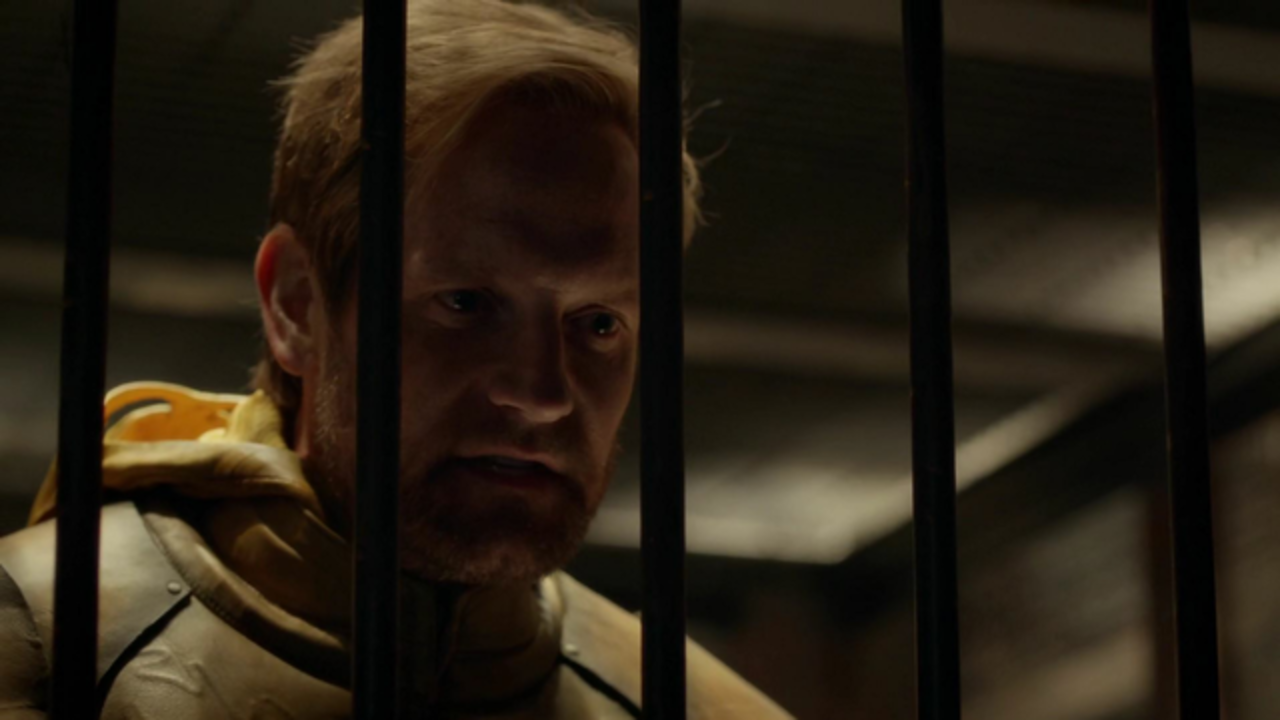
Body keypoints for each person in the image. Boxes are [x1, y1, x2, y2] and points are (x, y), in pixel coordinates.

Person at [0, 1, 792, 718]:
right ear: (297, 305)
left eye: (599, 323)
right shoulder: (42, 636)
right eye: (466, 303)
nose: (542, 391)